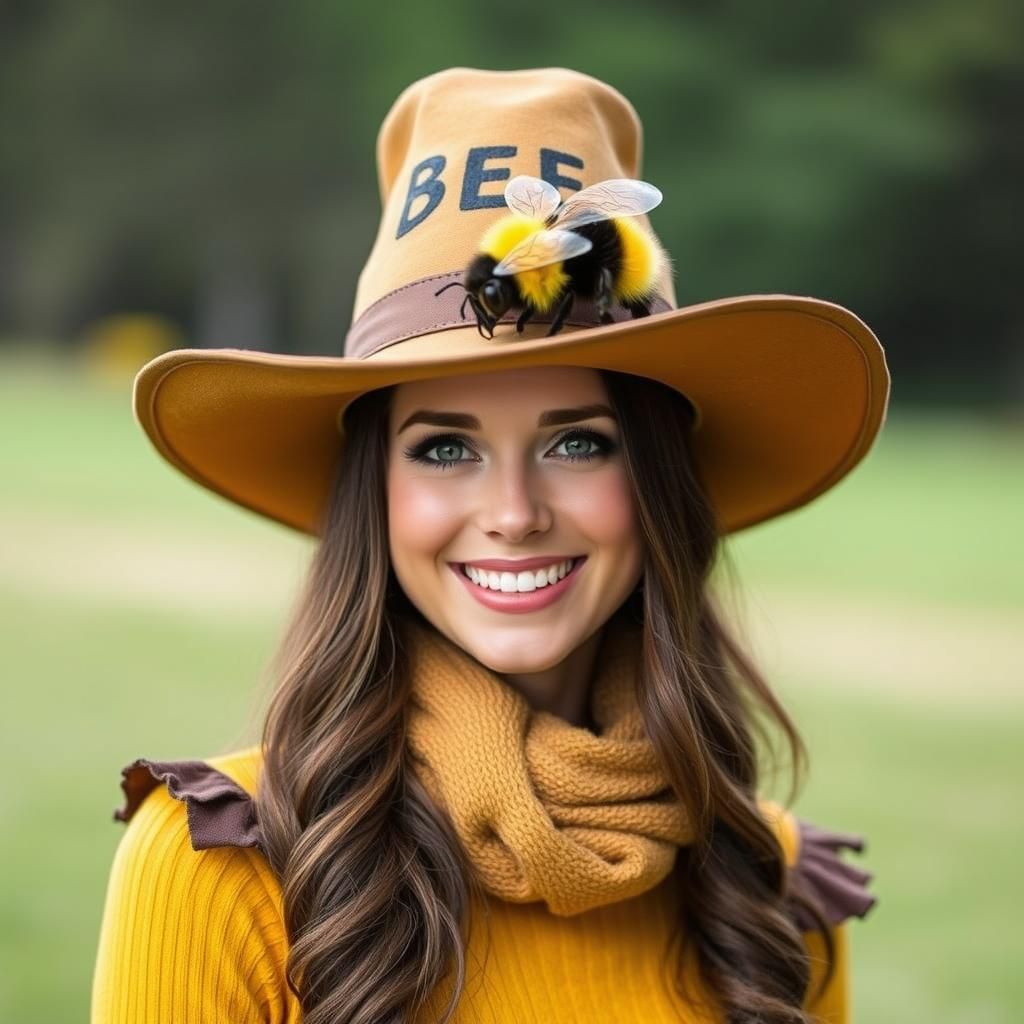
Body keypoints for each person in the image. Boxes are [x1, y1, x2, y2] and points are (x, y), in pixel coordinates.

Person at [90, 67, 885, 1023]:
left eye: (578, 442)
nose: (512, 511)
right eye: (446, 448)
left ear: (659, 484)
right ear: (373, 496)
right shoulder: (221, 870)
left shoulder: (776, 890)